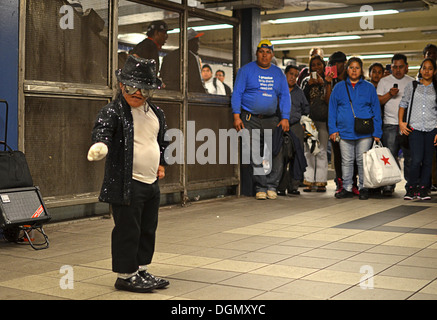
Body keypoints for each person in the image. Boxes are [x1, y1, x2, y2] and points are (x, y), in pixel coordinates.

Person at [87, 55, 170, 293]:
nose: (137, 93)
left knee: (147, 228)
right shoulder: (113, 111)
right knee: (127, 230)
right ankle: (125, 275)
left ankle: (141, 269)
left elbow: (160, 141)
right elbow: (102, 130)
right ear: (122, 85)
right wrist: (100, 145)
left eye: (144, 88)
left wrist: (161, 163)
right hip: (126, 183)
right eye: (132, 86)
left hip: (150, 183)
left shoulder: (156, 113)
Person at [231, 39, 290, 200]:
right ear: (257, 53)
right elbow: (237, 93)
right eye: (261, 52)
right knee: (254, 153)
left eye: (268, 52)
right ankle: (261, 186)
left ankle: (272, 185)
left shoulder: (278, 73)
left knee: (275, 152)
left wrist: (285, 117)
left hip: (272, 120)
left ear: (272, 55)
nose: (264, 55)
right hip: (250, 119)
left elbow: (285, 95)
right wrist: (236, 116)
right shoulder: (246, 70)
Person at [329, 57, 383, 200]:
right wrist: (333, 129)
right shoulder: (339, 87)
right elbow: (332, 109)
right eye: (351, 67)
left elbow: (376, 110)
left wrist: (377, 132)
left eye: (357, 68)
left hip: (365, 132)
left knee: (362, 160)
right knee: (346, 161)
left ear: (361, 70)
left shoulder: (369, 87)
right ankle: (346, 187)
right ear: (347, 70)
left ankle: (363, 187)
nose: (354, 70)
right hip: (344, 131)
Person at [399, 58, 437, 200]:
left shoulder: (436, 88)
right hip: (414, 128)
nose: (427, 71)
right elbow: (403, 104)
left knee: (428, 160)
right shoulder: (412, 86)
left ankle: (423, 188)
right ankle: (411, 187)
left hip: (431, 128)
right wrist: (401, 123)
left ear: (434, 71)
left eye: (430, 68)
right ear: (420, 70)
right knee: (416, 159)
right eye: (424, 68)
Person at [377, 53, 414, 196]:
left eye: (401, 67)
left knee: (409, 156)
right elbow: (379, 101)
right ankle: (388, 185)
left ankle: (410, 185)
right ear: (391, 67)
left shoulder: (412, 82)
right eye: (395, 67)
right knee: (390, 156)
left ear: (406, 67)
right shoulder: (384, 81)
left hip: (407, 125)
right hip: (390, 124)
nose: (398, 70)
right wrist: (390, 94)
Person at [301, 54, 333, 192]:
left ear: (324, 66)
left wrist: (326, 83)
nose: (316, 67)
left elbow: (329, 101)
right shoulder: (306, 81)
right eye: (313, 65)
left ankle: (320, 181)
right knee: (309, 150)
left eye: (319, 64)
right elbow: (302, 99)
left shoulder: (329, 81)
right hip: (309, 121)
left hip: (323, 120)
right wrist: (309, 86)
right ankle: (308, 180)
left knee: (321, 151)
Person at [277, 64, 309, 196]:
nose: (293, 78)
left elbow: (306, 109)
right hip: (279, 124)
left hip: (295, 126)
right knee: (281, 156)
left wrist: (301, 121)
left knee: (296, 155)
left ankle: (293, 186)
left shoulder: (299, 92)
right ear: (285, 74)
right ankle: (280, 186)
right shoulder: (278, 90)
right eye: (291, 74)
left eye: (296, 75)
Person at [160, 28, 206, 92]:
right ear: (189, 42)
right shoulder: (191, 57)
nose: (198, 44)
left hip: (169, 94)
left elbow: (162, 77)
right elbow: (196, 83)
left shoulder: (168, 57)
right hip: (188, 96)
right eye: (196, 41)